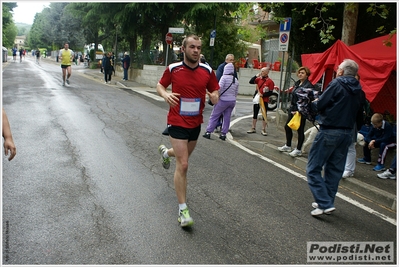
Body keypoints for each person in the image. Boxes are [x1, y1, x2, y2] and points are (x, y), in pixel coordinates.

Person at [156, 34, 219, 227]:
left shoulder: (207, 71)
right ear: (183, 49)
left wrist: (214, 97)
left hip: (195, 123)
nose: (196, 51)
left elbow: (215, 91)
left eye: (199, 48)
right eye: (192, 47)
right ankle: (183, 210)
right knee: (183, 165)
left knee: (182, 157)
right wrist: (166, 94)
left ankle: (166, 152)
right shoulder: (174, 69)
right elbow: (160, 85)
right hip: (176, 121)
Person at [306, 59, 365, 216]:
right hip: (347, 133)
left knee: (313, 168)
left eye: (339, 68)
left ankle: (324, 202)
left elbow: (321, 104)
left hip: (330, 129)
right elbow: (361, 115)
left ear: (341, 71)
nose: (337, 70)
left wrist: (312, 104)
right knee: (334, 170)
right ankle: (327, 201)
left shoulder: (337, 83)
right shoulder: (359, 89)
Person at [278, 66, 314, 157]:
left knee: (300, 129)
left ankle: (298, 149)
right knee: (287, 126)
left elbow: (306, 99)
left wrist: (299, 110)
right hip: (293, 108)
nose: (300, 74)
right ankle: (288, 145)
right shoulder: (297, 83)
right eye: (299, 73)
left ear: (307, 75)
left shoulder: (308, 85)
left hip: (301, 110)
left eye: (303, 73)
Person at [203, 62, 239, 141]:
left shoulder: (224, 78)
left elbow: (219, 89)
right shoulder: (235, 80)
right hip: (232, 101)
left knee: (214, 115)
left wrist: (216, 96)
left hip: (223, 100)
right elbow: (236, 92)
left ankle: (208, 132)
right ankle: (223, 134)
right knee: (227, 117)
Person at [342, 74, 365, 178]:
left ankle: (349, 170)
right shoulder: (343, 89)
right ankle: (342, 166)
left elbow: (360, 111)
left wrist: (358, 125)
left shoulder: (360, 93)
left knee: (350, 146)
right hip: (340, 121)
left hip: (352, 122)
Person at [247, 67, 275, 136]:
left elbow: (270, 92)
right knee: (255, 113)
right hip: (257, 99)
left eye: (262, 71)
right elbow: (251, 81)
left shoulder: (270, 81)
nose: (261, 72)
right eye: (261, 71)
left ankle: (263, 129)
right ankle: (253, 127)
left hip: (264, 100)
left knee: (264, 114)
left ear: (266, 73)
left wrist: (263, 95)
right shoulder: (258, 79)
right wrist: (256, 76)